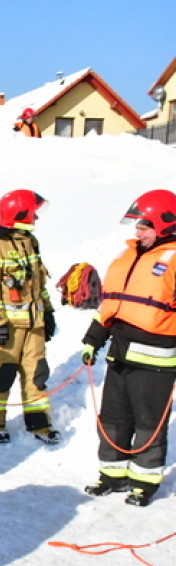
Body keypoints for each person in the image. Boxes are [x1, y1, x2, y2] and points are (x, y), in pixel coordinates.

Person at [80, 189, 176, 506]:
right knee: (113, 418)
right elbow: (109, 306)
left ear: (164, 224)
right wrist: (93, 340)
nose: (137, 232)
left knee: (149, 422)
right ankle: (112, 475)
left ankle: (143, 483)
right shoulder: (126, 257)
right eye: (136, 226)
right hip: (119, 354)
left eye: (143, 227)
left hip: (156, 360)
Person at [0, 189, 59, 445]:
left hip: (33, 325)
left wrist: (48, 312)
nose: (36, 217)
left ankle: (39, 423)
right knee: (2, 376)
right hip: (7, 328)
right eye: (32, 212)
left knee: (37, 375)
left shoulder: (30, 242)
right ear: (20, 214)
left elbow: (38, 283)